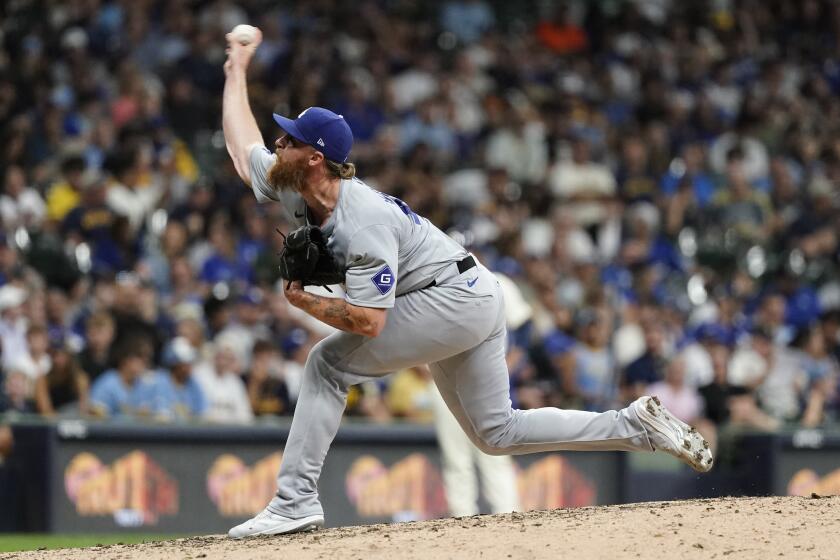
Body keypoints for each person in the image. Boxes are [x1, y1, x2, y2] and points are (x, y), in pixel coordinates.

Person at [222, 27, 713, 538]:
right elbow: (242, 149)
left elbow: (368, 322)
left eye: (290, 139)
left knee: (325, 364)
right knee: (496, 433)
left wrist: (305, 303)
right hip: (465, 293)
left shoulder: (360, 220)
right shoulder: (295, 184)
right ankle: (635, 425)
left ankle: (294, 500)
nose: (278, 144)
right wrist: (236, 69)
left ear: (315, 159)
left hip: (452, 297)